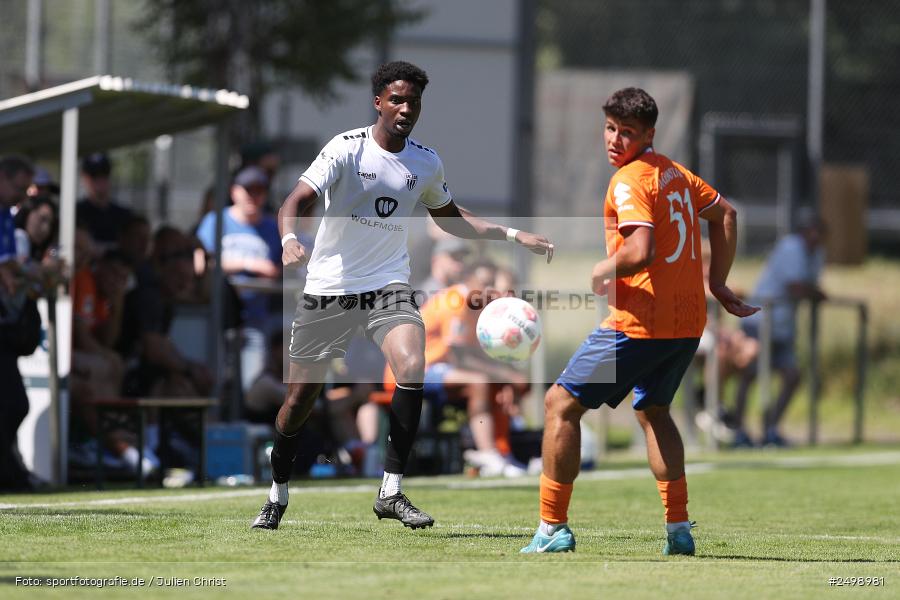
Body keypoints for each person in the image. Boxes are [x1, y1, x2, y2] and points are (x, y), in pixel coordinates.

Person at [250, 60, 553, 530]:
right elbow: (294, 201)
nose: (405, 108)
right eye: (397, 99)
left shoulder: (425, 161)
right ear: (378, 102)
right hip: (330, 287)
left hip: (387, 286)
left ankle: (390, 491)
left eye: (413, 101)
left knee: (413, 365)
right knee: (299, 403)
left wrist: (514, 235)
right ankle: (277, 492)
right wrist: (290, 238)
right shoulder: (345, 150)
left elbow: (451, 219)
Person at [520, 88, 758, 555]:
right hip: (688, 325)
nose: (614, 139)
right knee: (654, 412)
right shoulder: (678, 174)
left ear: (648, 133)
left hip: (639, 324)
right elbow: (726, 214)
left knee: (559, 406)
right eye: (610, 129)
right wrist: (719, 283)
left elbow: (639, 250)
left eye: (626, 132)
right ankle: (678, 530)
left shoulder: (629, 180)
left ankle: (552, 529)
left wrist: (602, 269)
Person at [730, 217, 827, 447]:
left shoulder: (817, 253)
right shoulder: (791, 247)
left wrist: (814, 292)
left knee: (792, 376)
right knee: (750, 375)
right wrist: (816, 293)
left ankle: (771, 428)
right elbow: (797, 287)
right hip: (761, 321)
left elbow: (809, 287)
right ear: (806, 231)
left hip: (783, 327)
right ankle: (739, 432)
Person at [196, 166, 282, 390]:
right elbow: (201, 262)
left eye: (259, 191)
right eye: (248, 190)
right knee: (214, 379)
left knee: (250, 385)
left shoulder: (272, 228)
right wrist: (250, 264)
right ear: (235, 192)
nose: (253, 197)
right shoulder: (215, 221)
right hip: (219, 316)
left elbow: (281, 268)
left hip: (255, 318)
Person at [0, 156, 36, 492]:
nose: (21, 196)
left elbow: (9, 266)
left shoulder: (6, 217)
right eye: (17, 187)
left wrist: (31, 274)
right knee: (12, 403)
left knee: (14, 403)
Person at [76, 153, 133, 250]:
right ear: (84, 178)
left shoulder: (124, 215)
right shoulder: (75, 213)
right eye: (94, 176)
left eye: (103, 175)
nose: (100, 181)